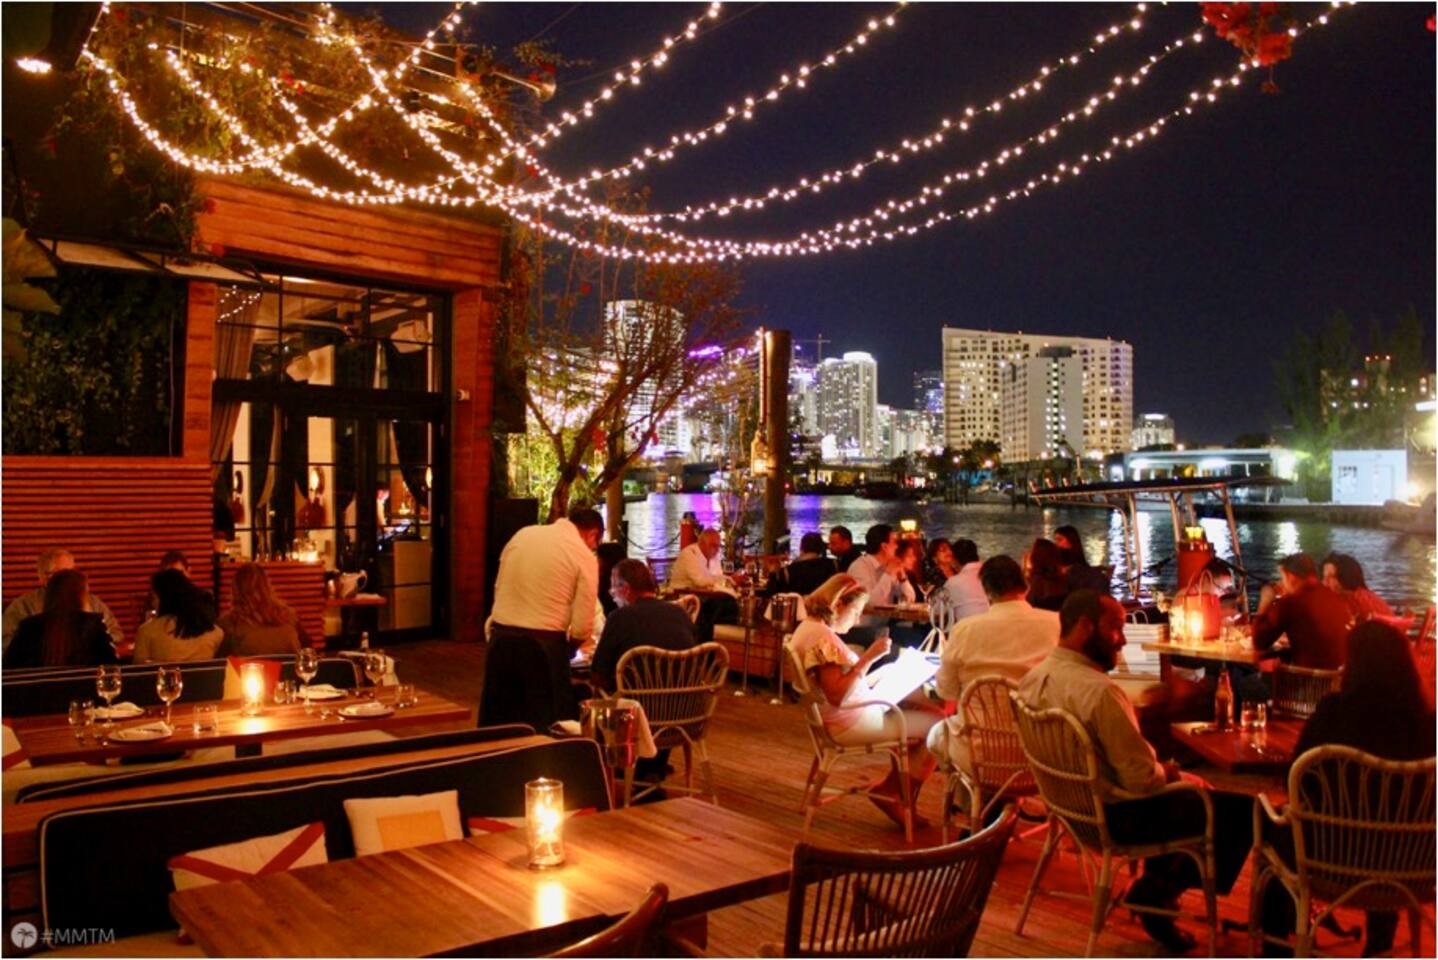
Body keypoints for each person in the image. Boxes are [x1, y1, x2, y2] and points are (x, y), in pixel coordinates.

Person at [1018, 590, 1255, 951]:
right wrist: (1172, 773)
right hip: (1116, 819)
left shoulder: (1032, 680)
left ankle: (1158, 889)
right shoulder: (1100, 693)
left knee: (1189, 795)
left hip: (1068, 811)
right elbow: (1142, 780)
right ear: (1086, 627)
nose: (1123, 640)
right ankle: (1157, 892)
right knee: (1237, 811)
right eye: (1115, 628)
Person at [1258, 621, 1434, 955]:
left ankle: (1276, 945)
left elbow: (1298, 780)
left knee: (1274, 822)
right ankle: (1380, 941)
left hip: (1330, 861)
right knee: (1389, 829)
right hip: (1412, 867)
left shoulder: (1333, 713)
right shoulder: (1429, 723)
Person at [790, 574, 943, 829]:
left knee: (918, 708)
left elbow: (837, 687)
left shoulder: (808, 628)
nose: (858, 619)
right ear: (839, 605)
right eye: (856, 611)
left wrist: (870, 667)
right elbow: (837, 695)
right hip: (850, 723)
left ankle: (894, 789)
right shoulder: (822, 638)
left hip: (838, 717)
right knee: (938, 724)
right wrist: (868, 658)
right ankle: (896, 795)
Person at [929, 554, 1058, 776]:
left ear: (987, 592)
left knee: (935, 736)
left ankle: (969, 792)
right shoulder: (1056, 624)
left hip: (979, 752)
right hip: (1041, 754)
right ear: (1025, 585)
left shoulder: (965, 629)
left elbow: (946, 690)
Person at [481, 507, 604, 730]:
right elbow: (582, 626)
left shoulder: (522, 535)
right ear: (593, 534)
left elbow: (499, 589)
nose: (592, 549)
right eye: (595, 545)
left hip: (500, 641)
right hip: (542, 648)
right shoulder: (583, 555)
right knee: (546, 727)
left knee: (498, 724)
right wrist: (569, 650)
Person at [591, 559, 697, 693]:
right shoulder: (680, 613)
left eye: (613, 590)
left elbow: (598, 674)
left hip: (637, 702)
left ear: (625, 589)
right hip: (685, 700)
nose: (613, 597)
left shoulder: (619, 617)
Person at [3, 548, 122, 655]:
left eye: (72, 572)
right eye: (63, 575)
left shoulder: (93, 602)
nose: (71, 579)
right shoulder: (22, 607)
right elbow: (6, 645)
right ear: (43, 577)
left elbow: (116, 634)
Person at [1251, 553, 1352, 669]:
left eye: (1282, 578)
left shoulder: (1289, 603)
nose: (1280, 583)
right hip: (1338, 677)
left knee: (1251, 676)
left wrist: (1265, 602)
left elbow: (1259, 642)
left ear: (1291, 577)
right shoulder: (1335, 597)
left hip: (1305, 678)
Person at [4, 570, 118, 669]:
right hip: (84, 687)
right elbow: (110, 664)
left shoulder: (28, 626)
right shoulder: (93, 623)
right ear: (81, 596)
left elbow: (9, 666)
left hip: (37, 687)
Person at [133, 569, 225, 663]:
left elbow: (140, 668)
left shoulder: (147, 632)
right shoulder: (215, 633)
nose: (153, 603)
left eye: (154, 597)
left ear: (163, 598)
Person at [217, 563, 308, 657]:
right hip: (291, 666)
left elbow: (218, 662)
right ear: (267, 586)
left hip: (248, 666)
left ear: (235, 590)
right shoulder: (289, 617)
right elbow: (307, 649)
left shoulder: (228, 624)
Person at [1321, 552, 1394, 623]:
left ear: (1347, 577)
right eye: (1324, 577)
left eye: (1332, 577)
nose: (1325, 583)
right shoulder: (1356, 596)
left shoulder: (1359, 601)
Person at [768, 533, 838, 598]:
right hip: (827, 605)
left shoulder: (789, 571)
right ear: (821, 548)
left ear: (801, 548)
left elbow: (773, 594)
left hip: (799, 606)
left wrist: (772, 573)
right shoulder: (834, 565)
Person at [667, 528, 735, 594]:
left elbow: (718, 577)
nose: (717, 550)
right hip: (681, 595)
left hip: (704, 594)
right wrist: (725, 579)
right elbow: (701, 582)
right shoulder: (689, 554)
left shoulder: (714, 555)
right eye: (713, 545)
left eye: (718, 546)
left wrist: (730, 580)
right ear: (702, 544)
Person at [941, 539, 990, 621]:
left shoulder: (953, 583)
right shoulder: (991, 574)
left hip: (969, 627)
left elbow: (937, 610)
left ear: (955, 560)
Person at [1023, 538, 1068, 612]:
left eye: (1031, 551)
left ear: (1036, 557)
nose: (1028, 554)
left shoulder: (1035, 583)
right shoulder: (1063, 580)